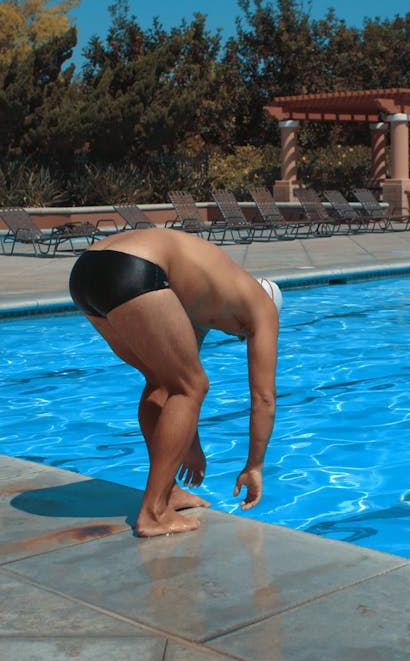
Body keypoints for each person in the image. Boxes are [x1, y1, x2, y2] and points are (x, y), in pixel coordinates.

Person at [69, 227, 281, 537]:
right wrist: (254, 467)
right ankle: (153, 513)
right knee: (193, 386)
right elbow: (264, 398)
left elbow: (171, 385)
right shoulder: (263, 308)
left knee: (161, 380)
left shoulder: (208, 297)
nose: (237, 336)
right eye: (241, 335)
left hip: (87, 270)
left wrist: (189, 447)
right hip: (134, 268)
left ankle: (167, 491)